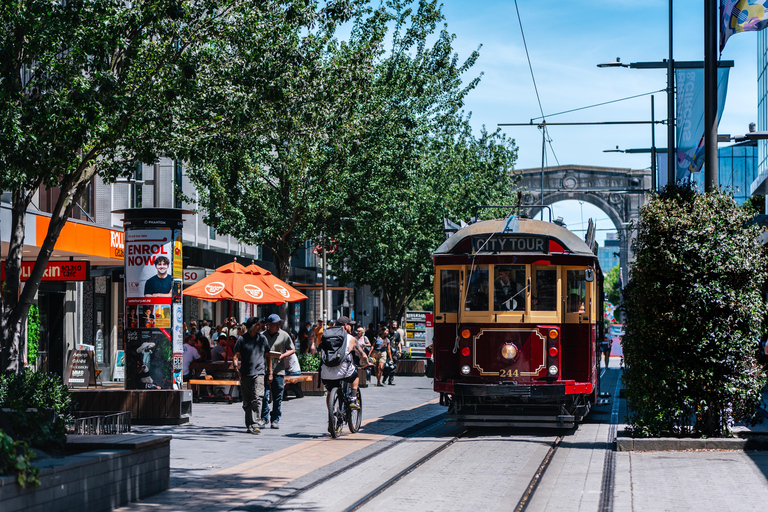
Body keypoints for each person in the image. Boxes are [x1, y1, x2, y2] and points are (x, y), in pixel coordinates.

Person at [320, 316, 370, 414]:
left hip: (326, 372)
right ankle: (353, 398)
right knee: (355, 377)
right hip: (343, 372)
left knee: (330, 392)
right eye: (351, 325)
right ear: (346, 326)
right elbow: (362, 355)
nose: (351, 328)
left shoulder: (327, 336)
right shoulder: (350, 338)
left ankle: (332, 415)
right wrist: (367, 363)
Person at [234, 317, 273, 434]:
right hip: (246, 373)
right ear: (252, 327)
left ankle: (255, 423)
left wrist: (270, 372)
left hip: (259, 372)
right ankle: (249, 424)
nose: (259, 326)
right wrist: (236, 368)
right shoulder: (242, 339)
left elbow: (268, 356)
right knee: (247, 401)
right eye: (257, 325)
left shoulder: (262, 339)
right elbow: (236, 356)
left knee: (257, 398)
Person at [260, 313, 296, 429]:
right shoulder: (262, 336)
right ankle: (264, 418)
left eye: (279, 323)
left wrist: (283, 355)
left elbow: (292, 349)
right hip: (264, 370)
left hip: (279, 370)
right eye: (275, 324)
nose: (278, 325)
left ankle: (275, 419)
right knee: (263, 395)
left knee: (277, 396)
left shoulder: (284, 335)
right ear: (268, 325)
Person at [386, 320, 403, 386]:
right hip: (387, 351)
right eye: (393, 325)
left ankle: (391, 380)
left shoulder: (397, 334)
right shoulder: (387, 333)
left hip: (394, 352)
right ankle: (385, 377)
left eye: (396, 325)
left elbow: (398, 343)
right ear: (390, 325)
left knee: (394, 366)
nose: (395, 326)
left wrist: (400, 351)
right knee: (387, 366)